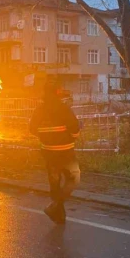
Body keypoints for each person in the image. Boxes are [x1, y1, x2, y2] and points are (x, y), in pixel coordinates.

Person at [29, 82, 81, 224]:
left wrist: (45, 137)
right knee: (74, 178)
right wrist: (72, 136)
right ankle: (54, 206)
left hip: (48, 152)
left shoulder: (39, 110)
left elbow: (32, 128)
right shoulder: (64, 108)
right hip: (66, 152)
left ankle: (59, 216)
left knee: (55, 181)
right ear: (57, 93)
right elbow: (75, 127)